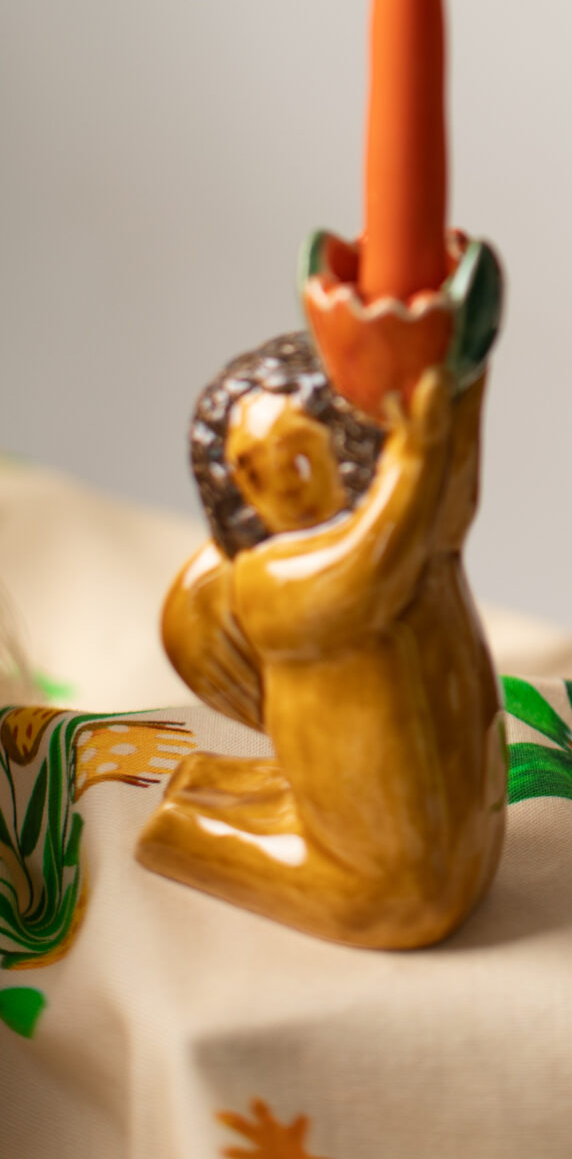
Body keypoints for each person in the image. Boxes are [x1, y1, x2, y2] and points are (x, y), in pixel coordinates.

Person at [139, 346, 507, 949]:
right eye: (249, 471)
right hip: (388, 888)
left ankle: (255, 805)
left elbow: (451, 480)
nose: (277, 481)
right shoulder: (269, 580)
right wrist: (413, 455)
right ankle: (208, 823)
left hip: (456, 856)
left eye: (295, 453)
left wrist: (461, 365)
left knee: (209, 801)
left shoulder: (419, 539)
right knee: (183, 818)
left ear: (344, 446)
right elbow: (370, 566)